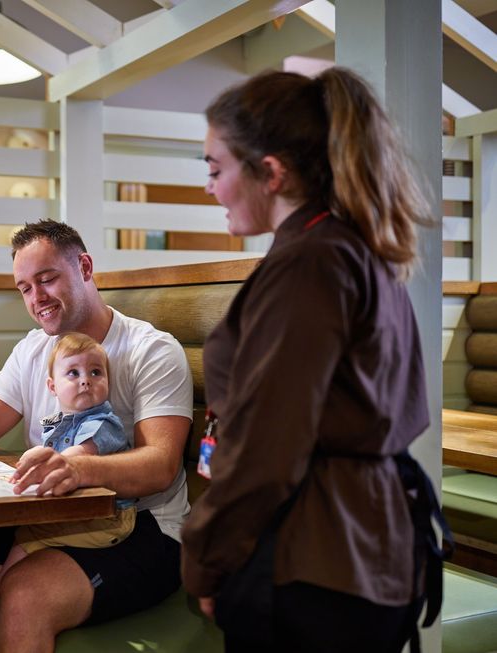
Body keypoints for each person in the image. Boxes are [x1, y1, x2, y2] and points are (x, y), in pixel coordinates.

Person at [180, 67, 445, 653]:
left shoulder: (310, 262)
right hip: (358, 545)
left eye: (215, 169)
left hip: (311, 555)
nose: (209, 188)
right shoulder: (347, 248)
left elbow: (266, 443)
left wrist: (206, 555)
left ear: (270, 173)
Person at [0, 219, 193, 652]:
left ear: (84, 266)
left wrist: (78, 468)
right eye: (25, 288)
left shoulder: (151, 350)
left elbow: (161, 465)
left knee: (26, 593)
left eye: (46, 280)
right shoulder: (33, 349)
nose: (37, 298)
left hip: (144, 528)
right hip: (50, 518)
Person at [0, 332, 136, 597]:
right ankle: (9, 574)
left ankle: (4, 583)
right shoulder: (58, 421)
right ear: (52, 387)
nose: (85, 381)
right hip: (80, 511)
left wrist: (43, 462)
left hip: (110, 518)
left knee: (31, 534)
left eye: (95, 372)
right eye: (73, 373)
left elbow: (79, 455)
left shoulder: (103, 422)